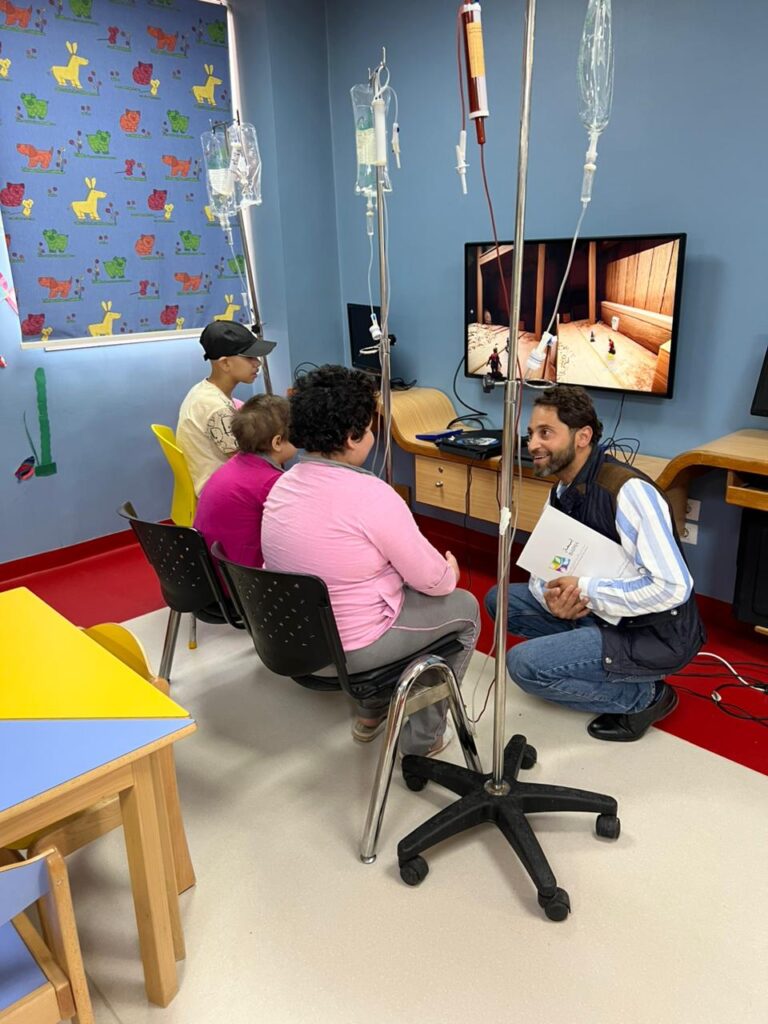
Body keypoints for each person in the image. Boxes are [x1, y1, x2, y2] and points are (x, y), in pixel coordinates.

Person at [261, 365, 480, 757]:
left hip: (292, 641)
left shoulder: (281, 486)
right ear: (352, 437)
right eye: (369, 427)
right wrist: (449, 572)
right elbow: (435, 582)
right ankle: (423, 740)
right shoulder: (371, 495)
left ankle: (371, 713)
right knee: (465, 608)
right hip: (352, 650)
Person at [486, 384, 705, 742]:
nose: (532, 444)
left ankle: (646, 695)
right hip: (599, 612)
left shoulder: (629, 492)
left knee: (523, 667)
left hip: (650, 632)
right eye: (531, 434)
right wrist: (553, 599)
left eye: (545, 433)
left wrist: (586, 591)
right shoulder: (561, 491)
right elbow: (545, 568)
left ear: (583, 436)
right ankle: (592, 655)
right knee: (500, 599)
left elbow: (673, 587)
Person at [193, 395, 295, 568]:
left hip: (210, 569)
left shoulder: (233, 465)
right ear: (277, 442)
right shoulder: (271, 483)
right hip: (242, 575)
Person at [176, 321, 276, 495]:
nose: (257, 363)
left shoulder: (203, 390)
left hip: (218, 484)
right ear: (225, 364)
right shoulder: (216, 408)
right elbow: (246, 463)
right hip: (222, 492)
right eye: (250, 357)